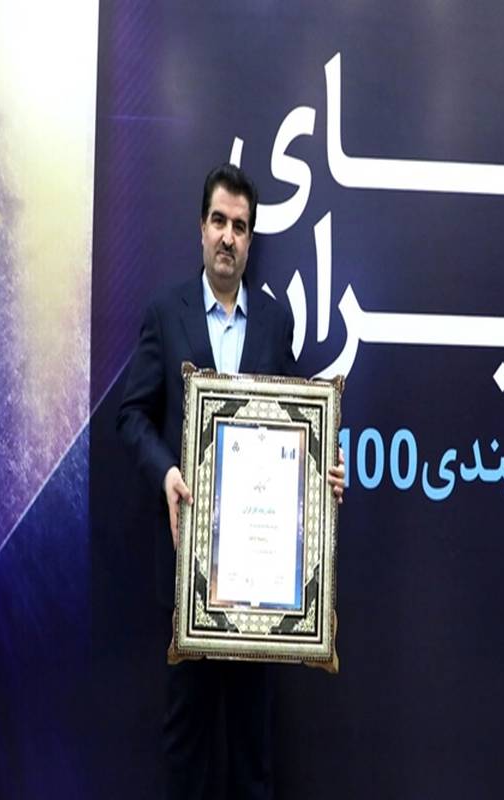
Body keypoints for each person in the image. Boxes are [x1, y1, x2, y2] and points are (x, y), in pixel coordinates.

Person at [117, 163, 344, 798]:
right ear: (201, 228)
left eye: (240, 227)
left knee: (251, 751)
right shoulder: (166, 314)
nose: (228, 237)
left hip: (260, 588)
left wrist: (322, 471)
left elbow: (298, 427)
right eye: (219, 221)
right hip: (189, 577)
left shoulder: (273, 323)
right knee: (186, 746)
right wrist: (166, 472)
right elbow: (131, 415)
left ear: (250, 239)